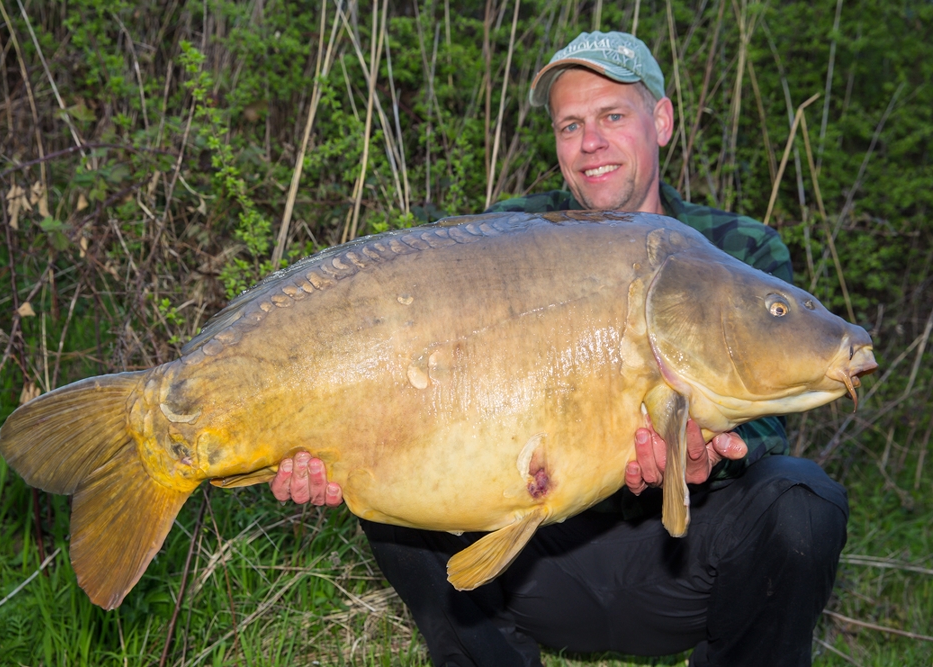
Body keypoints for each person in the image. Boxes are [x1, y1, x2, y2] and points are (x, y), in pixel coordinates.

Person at [269, 32, 848, 667]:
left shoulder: (737, 247)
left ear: (661, 121)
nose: (590, 141)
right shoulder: (509, 236)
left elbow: (766, 427)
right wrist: (329, 440)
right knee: (401, 494)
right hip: (542, 564)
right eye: (570, 125)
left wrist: (710, 456)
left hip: (686, 563)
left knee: (803, 502)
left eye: (612, 116)